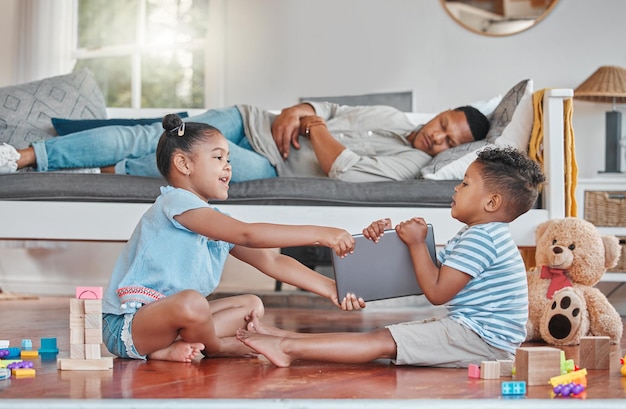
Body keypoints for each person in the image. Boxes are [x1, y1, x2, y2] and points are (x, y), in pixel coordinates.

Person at [235, 146, 546, 368]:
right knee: (384, 337)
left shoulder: (483, 237)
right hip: (477, 333)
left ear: (491, 202)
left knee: (380, 341)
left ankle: (288, 348)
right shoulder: (480, 235)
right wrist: (385, 242)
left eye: (465, 183)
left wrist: (415, 244)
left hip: (483, 341)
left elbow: (437, 291)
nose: (456, 187)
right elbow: (426, 270)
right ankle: (284, 337)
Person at [101, 114, 365, 363]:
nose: (227, 166)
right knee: (192, 302)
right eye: (218, 157)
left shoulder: (214, 220)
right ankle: (216, 347)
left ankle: (166, 349)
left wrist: (331, 287)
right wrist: (320, 234)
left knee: (251, 306)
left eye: (228, 159)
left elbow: (272, 262)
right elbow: (247, 234)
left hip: (178, 320)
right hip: (129, 327)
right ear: (183, 164)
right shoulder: (175, 202)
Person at [0, 102, 489, 182]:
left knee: (195, 161)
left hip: (270, 164)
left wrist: (313, 124)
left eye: (449, 140)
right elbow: (318, 107)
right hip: (249, 119)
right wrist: (302, 110)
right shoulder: (391, 115)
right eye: (445, 123)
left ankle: (101, 172)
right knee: (156, 134)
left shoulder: (407, 165)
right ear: (442, 113)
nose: (438, 135)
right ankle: (21, 156)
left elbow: (342, 167)